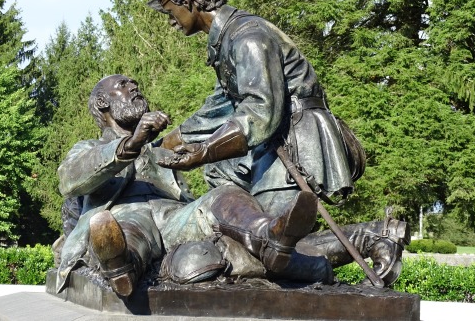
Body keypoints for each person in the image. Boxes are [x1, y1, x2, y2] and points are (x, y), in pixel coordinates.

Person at [148, 0, 409, 285]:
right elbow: (219, 108)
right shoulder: (227, 40)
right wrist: (161, 146)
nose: (170, 21)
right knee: (263, 240)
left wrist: (204, 151)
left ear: (187, 2)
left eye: (169, 11)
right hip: (273, 146)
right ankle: (378, 236)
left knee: (269, 248)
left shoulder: (247, 37)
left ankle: (373, 239)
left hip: (294, 142)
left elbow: (261, 110)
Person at [55, 74, 333, 298]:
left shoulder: (160, 150)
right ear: (102, 102)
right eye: (123, 85)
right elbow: (69, 179)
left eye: (134, 84)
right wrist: (131, 143)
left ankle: (269, 236)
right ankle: (121, 267)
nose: (134, 88)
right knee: (127, 230)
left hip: (175, 217)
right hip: (126, 215)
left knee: (225, 194)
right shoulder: (89, 148)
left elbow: (211, 128)